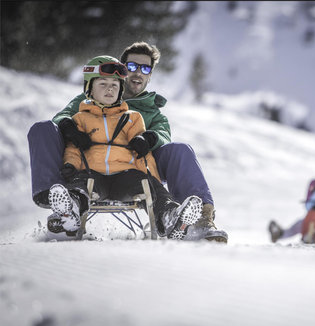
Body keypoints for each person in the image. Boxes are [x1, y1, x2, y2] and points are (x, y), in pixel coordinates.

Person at [27, 42, 227, 242]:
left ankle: (199, 219)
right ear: (122, 69)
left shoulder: (150, 112)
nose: (138, 73)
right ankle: (59, 202)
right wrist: (69, 128)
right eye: (132, 66)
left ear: (150, 75)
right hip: (91, 165)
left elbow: (163, 133)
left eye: (145, 68)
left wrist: (149, 138)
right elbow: (62, 117)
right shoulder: (89, 98)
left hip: (134, 163)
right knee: (42, 128)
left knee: (181, 150)